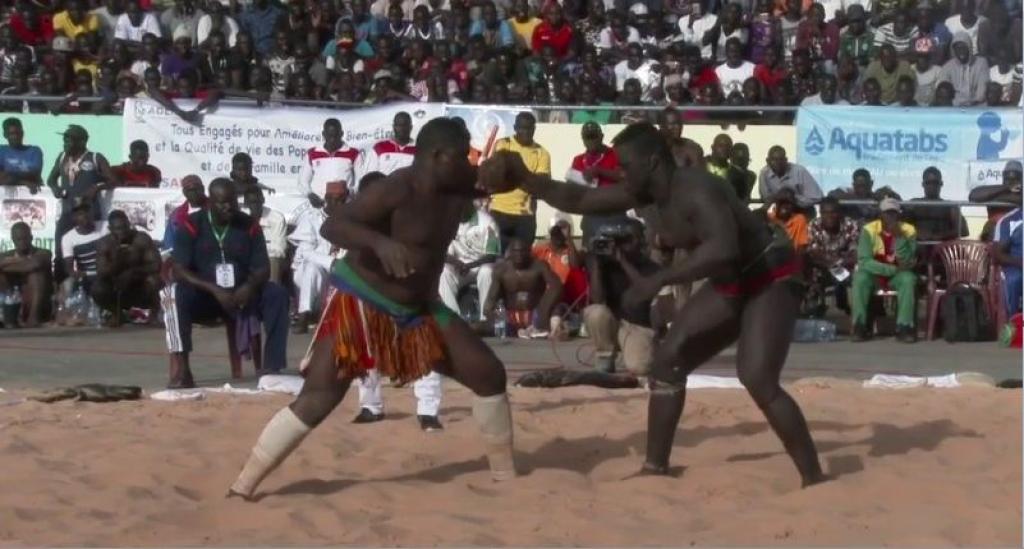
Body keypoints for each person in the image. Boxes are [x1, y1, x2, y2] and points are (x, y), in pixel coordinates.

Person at [481, 122, 826, 487]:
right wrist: (523, 178)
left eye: (626, 166)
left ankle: (814, 478)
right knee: (666, 364)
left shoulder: (696, 188)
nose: (620, 173)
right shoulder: (643, 193)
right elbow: (579, 200)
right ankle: (655, 468)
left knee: (756, 376)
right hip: (731, 280)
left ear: (652, 163)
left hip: (770, 273)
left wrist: (658, 280)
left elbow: (723, 248)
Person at [227, 118, 517, 501]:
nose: (468, 161)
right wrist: (380, 243)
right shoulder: (395, 188)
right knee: (318, 398)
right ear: (438, 156)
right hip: (362, 304)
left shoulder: (459, 183)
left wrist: (512, 172)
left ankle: (507, 478)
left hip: (421, 309)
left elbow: (498, 178)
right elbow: (334, 226)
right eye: (462, 154)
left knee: (489, 375)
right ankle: (243, 485)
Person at [164, 178, 290, 388]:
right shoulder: (191, 225)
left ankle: (272, 367)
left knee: (276, 294)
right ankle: (183, 369)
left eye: (232, 201)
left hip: (242, 294)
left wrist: (248, 287)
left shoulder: (249, 225)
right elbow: (179, 269)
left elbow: (262, 268)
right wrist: (214, 289)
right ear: (210, 202)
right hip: (206, 296)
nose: (228, 207)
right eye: (222, 202)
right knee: (172, 295)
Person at [47, 124, 119, 278]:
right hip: (68, 213)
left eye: (69, 140)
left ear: (82, 142)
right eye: (64, 140)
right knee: (61, 253)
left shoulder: (95, 158)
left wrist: (97, 187)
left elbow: (114, 180)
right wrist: (55, 188)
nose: (65, 143)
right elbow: (50, 179)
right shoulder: (61, 157)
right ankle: (61, 288)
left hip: (90, 213)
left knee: (97, 250)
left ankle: (99, 283)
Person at [850, 198, 918, 343]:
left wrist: (899, 237)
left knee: (908, 279)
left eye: (893, 213)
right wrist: (892, 269)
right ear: (881, 215)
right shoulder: (869, 229)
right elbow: (864, 261)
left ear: (898, 215)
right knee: (860, 278)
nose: (890, 217)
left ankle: (904, 327)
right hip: (875, 273)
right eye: (887, 213)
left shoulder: (909, 230)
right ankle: (859, 326)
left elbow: (907, 260)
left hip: (898, 274)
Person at [289, 181, 346, 335]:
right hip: (311, 279)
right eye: (334, 199)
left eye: (342, 199)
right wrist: (331, 262)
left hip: (339, 275)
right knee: (313, 268)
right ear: (326, 198)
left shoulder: (350, 220)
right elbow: (306, 253)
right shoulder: (311, 219)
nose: (338, 203)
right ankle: (303, 316)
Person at [490, 112, 550, 251]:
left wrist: (513, 177)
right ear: (515, 127)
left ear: (534, 128)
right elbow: (497, 176)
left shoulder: (542, 153)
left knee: (522, 259)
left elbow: (539, 186)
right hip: (499, 211)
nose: (527, 132)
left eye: (530, 128)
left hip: (525, 216)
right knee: (496, 256)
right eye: (522, 128)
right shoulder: (503, 144)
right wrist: (526, 179)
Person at [92, 210, 161, 326]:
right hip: (116, 286)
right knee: (97, 289)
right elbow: (101, 272)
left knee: (155, 280)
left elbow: (156, 265)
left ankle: (153, 315)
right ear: (110, 229)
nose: (123, 231)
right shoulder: (104, 243)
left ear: (129, 224)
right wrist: (117, 262)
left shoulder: (141, 239)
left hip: (139, 283)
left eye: (125, 227)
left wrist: (133, 272)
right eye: (118, 228)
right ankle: (117, 314)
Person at [484, 238, 563, 339]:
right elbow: (489, 304)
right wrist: (497, 319)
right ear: (510, 253)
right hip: (510, 316)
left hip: (536, 315)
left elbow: (556, 286)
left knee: (558, 308)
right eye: (516, 251)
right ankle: (517, 331)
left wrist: (543, 311)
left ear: (529, 252)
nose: (519, 255)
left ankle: (555, 332)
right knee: (480, 327)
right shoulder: (501, 270)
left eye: (522, 251)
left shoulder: (539, 266)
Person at [440, 198, 500, 321]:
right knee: (443, 272)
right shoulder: (448, 221)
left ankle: (485, 319)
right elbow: (442, 252)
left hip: (480, 265)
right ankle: (453, 319)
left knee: (487, 272)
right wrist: (457, 263)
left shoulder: (487, 222)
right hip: (459, 266)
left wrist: (470, 265)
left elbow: (492, 255)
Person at [566, 122, 623, 245]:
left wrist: (599, 171)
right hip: (591, 215)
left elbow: (622, 176)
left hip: (614, 212)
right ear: (583, 139)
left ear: (601, 136)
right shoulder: (579, 160)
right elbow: (573, 189)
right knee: (591, 255)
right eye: (587, 138)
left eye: (594, 137)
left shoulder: (614, 154)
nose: (591, 141)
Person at [805, 196, 860, 316]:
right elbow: (814, 253)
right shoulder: (814, 225)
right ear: (820, 213)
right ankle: (813, 312)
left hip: (845, 267)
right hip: (822, 267)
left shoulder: (850, 225)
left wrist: (838, 262)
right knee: (811, 273)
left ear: (839, 213)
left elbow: (855, 253)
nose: (829, 216)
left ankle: (852, 314)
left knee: (855, 275)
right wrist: (832, 263)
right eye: (825, 213)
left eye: (833, 212)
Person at [298, 118, 362, 205]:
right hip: (319, 205)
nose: (332, 140)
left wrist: (349, 192)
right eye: (329, 136)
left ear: (341, 134)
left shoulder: (353, 153)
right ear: (323, 134)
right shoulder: (312, 153)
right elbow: (303, 181)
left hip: (344, 205)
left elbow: (361, 180)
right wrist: (310, 194)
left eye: (335, 136)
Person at [0, 222, 52, 327]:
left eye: (25, 238)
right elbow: (28, 265)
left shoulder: (44, 252)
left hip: (36, 301)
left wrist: (8, 263)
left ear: (31, 237)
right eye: (18, 239)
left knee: (35, 275)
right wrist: (24, 262)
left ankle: (33, 318)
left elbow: (34, 264)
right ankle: (6, 316)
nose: (22, 242)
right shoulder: (5, 255)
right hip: (13, 298)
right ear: (13, 239)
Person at [905, 167, 968, 243]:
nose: (932, 186)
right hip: (918, 248)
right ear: (923, 184)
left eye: (935, 183)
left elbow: (964, 230)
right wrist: (917, 234)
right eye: (928, 183)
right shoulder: (914, 204)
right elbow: (900, 227)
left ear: (941, 184)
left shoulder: (950, 206)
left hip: (943, 249)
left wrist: (938, 236)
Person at [60, 201, 108, 301]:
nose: (85, 215)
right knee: (66, 288)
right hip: (87, 276)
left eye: (87, 212)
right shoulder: (68, 238)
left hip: (107, 273)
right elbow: (69, 267)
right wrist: (74, 273)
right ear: (74, 218)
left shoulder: (106, 227)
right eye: (80, 214)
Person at [758, 145, 823, 212]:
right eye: (774, 160)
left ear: (786, 160)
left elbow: (817, 197)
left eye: (781, 159)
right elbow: (766, 198)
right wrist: (778, 197)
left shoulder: (799, 171)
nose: (778, 163)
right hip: (779, 213)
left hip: (802, 211)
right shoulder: (764, 174)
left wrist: (794, 199)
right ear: (767, 161)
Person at [242, 187, 287, 284]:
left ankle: (273, 291)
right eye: (251, 202)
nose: (255, 205)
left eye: (257, 202)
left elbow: (279, 250)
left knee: (274, 259)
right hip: (245, 258)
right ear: (246, 203)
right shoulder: (240, 218)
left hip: (268, 259)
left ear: (263, 200)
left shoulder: (276, 218)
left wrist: (259, 256)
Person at [827, 168, 902, 223]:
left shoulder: (877, 196)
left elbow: (901, 204)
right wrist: (854, 199)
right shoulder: (848, 198)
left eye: (864, 185)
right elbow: (830, 196)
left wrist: (890, 193)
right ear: (853, 185)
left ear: (871, 183)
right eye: (859, 186)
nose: (862, 189)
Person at [938, 32, 989, 106]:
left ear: (969, 47)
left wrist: (971, 103)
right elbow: (944, 91)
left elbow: (982, 92)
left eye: (963, 47)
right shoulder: (947, 67)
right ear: (954, 50)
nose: (961, 51)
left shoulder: (981, 63)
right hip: (954, 106)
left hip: (977, 105)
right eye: (958, 48)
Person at [361, 111, 416, 177]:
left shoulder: (418, 150)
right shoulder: (379, 148)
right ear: (394, 127)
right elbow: (369, 176)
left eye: (405, 125)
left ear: (411, 127)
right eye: (399, 125)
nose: (402, 129)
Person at [163, 174, 206, 253]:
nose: (195, 193)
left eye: (197, 189)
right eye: (190, 190)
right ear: (184, 192)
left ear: (203, 189)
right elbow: (169, 243)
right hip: (182, 257)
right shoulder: (176, 214)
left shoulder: (214, 210)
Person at [993, 204, 1023, 317]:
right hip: (1016, 265)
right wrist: (1020, 262)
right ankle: (1012, 323)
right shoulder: (1010, 220)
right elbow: (998, 254)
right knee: (1012, 279)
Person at [0, 118, 43, 194]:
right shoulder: (2, 151)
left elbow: (34, 174)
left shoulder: (34, 151)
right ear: (5, 135)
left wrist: (10, 175)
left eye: (18, 133)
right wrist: (24, 182)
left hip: (33, 195)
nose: (15, 137)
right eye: (12, 134)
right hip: (6, 198)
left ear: (22, 133)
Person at [706, 133, 753, 201]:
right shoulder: (699, 165)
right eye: (721, 145)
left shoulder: (737, 175)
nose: (724, 149)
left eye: (728, 146)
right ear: (712, 147)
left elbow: (742, 200)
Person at [767, 188, 810, 253]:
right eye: (782, 202)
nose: (784, 206)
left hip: (791, 258)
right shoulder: (768, 217)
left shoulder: (799, 220)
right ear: (776, 204)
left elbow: (801, 247)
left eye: (788, 203)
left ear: (793, 206)